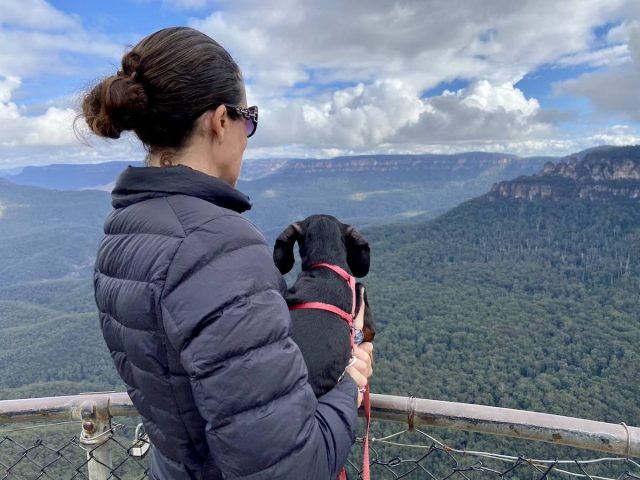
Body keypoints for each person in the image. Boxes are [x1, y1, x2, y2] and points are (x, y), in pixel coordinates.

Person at [84, 26, 374, 479]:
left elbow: (207, 384)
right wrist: (349, 383)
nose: (247, 135)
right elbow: (291, 468)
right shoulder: (220, 247)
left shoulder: (120, 236)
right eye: (249, 120)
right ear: (221, 120)